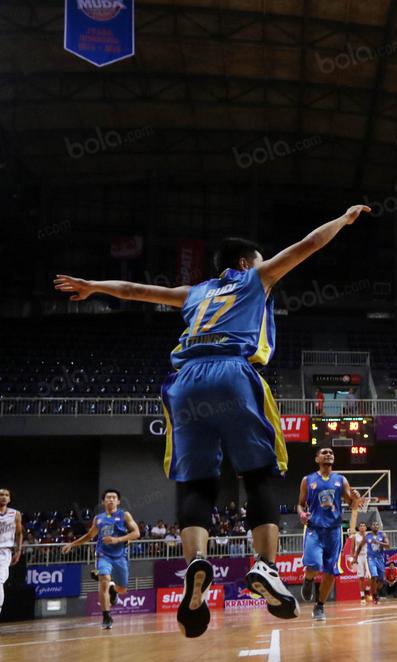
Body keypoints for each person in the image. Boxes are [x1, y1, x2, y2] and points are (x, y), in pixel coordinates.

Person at [53, 204, 369, 637]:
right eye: (259, 259)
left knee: (196, 483)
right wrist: (344, 220)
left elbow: (132, 288)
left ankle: (196, 563)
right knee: (259, 473)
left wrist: (93, 285)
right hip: (232, 374)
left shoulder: (194, 292)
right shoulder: (255, 278)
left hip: (184, 383)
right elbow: (308, 245)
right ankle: (267, 568)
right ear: (245, 262)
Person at [298, 447, 363, 621]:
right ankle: (309, 579)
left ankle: (319, 606)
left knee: (330, 572)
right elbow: (300, 504)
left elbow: (352, 504)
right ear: (317, 458)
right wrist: (301, 514)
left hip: (334, 531)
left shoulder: (341, 480)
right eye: (324, 452)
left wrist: (355, 497)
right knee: (313, 566)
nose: (329, 454)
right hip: (314, 529)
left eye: (331, 453)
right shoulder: (308, 480)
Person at [61, 489, 140, 629]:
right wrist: (72, 544)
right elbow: (89, 536)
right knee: (104, 580)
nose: (111, 499)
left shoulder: (124, 515)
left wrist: (117, 539)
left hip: (120, 555)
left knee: (122, 589)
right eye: (108, 497)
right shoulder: (98, 518)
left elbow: (136, 533)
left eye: (114, 497)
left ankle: (114, 590)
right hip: (103, 554)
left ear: (118, 501)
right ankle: (106, 616)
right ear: (103, 501)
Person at [0, 488, 23, 619]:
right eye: (1, 495)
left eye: (6, 495)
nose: (3, 497)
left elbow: (19, 533)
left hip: (4, 552)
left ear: (9, 498)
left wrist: (18, 551)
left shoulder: (15, 514)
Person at [365, 521, 388, 604]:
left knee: (381, 580)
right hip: (371, 558)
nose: (375, 526)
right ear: (371, 527)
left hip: (380, 559)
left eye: (377, 524)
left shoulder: (383, 535)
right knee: (374, 576)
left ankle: (370, 589)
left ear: (379, 526)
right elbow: (360, 545)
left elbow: (388, 546)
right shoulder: (367, 536)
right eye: (373, 524)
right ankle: (374, 596)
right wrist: (355, 557)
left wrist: (379, 542)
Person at [351, 521, 371, 605]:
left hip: (367, 556)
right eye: (361, 526)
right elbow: (352, 549)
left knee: (371, 576)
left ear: (366, 528)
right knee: (361, 577)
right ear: (359, 528)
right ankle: (362, 596)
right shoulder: (355, 536)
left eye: (364, 526)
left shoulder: (369, 535)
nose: (362, 527)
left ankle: (367, 589)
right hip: (359, 557)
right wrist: (354, 558)